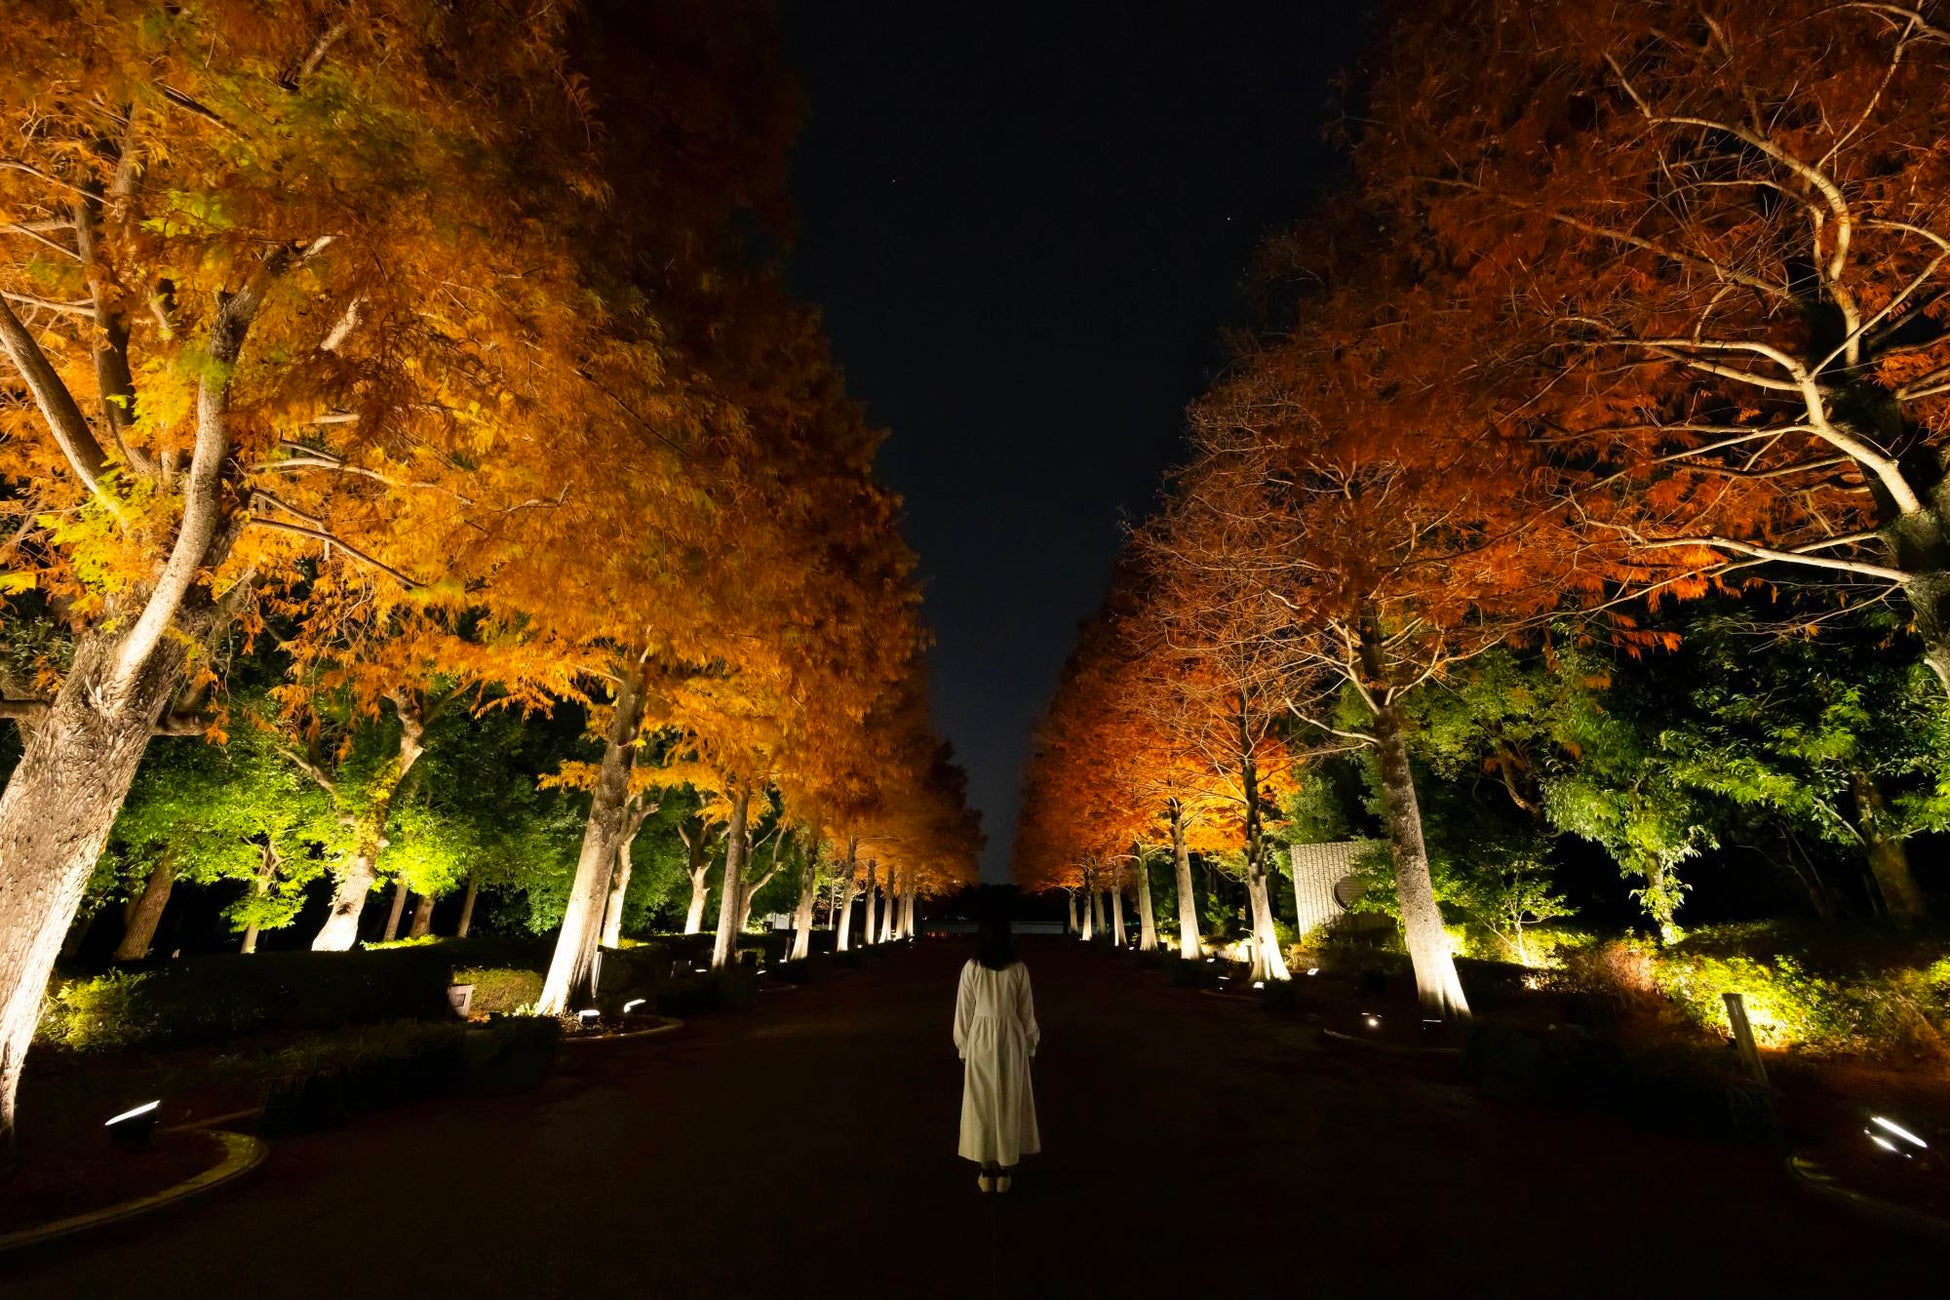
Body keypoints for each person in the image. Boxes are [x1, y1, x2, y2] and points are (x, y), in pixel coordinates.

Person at [953, 912, 1040, 1193]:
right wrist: (1030, 1043)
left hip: (980, 1037)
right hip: (1011, 1038)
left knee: (981, 1101)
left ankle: (985, 1165)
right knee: (1008, 1098)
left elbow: (963, 1011)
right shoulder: (1018, 968)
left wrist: (963, 1045)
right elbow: (1026, 1012)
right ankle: (1004, 1167)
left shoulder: (972, 968)